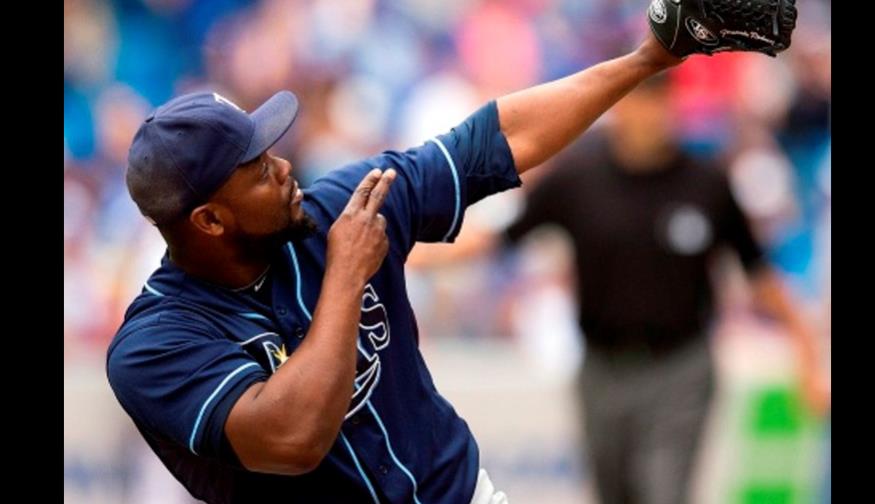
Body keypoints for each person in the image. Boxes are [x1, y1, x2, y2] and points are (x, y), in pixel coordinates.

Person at [106, 2, 799, 502]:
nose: (284, 166)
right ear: (209, 218)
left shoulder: (337, 208)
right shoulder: (155, 344)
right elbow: (290, 440)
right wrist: (345, 277)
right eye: (256, 169)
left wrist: (649, 58)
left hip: (460, 490)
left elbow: (492, 144)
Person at [497, 74, 828, 504]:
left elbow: (758, 272)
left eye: (661, 100)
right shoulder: (578, 178)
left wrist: (804, 346)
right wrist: (424, 241)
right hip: (602, 367)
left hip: (680, 367)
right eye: (639, 100)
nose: (652, 114)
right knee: (614, 492)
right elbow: (504, 237)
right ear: (617, 106)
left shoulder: (706, 183)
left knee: (664, 490)